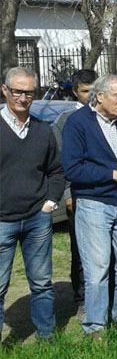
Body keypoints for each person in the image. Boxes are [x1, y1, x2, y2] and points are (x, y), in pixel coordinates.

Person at [63, 74, 117, 337]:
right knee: (98, 269)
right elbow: (73, 169)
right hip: (94, 205)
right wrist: (114, 175)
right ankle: (96, 327)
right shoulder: (77, 123)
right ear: (99, 96)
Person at [0, 66, 64, 341]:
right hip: (2, 221)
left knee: (41, 283)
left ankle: (47, 338)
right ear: (5, 90)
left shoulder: (42, 129)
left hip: (37, 219)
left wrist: (49, 203)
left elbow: (56, 171)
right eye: (17, 91)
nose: (23, 98)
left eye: (29, 93)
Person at [52, 67, 97, 306]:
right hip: (78, 193)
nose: (91, 96)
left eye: (94, 90)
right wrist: (69, 194)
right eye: (85, 91)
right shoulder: (66, 121)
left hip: (104, 193)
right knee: (80, 249)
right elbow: (61, 161)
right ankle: (81, 297)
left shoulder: (107, 115)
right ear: (75, 93)